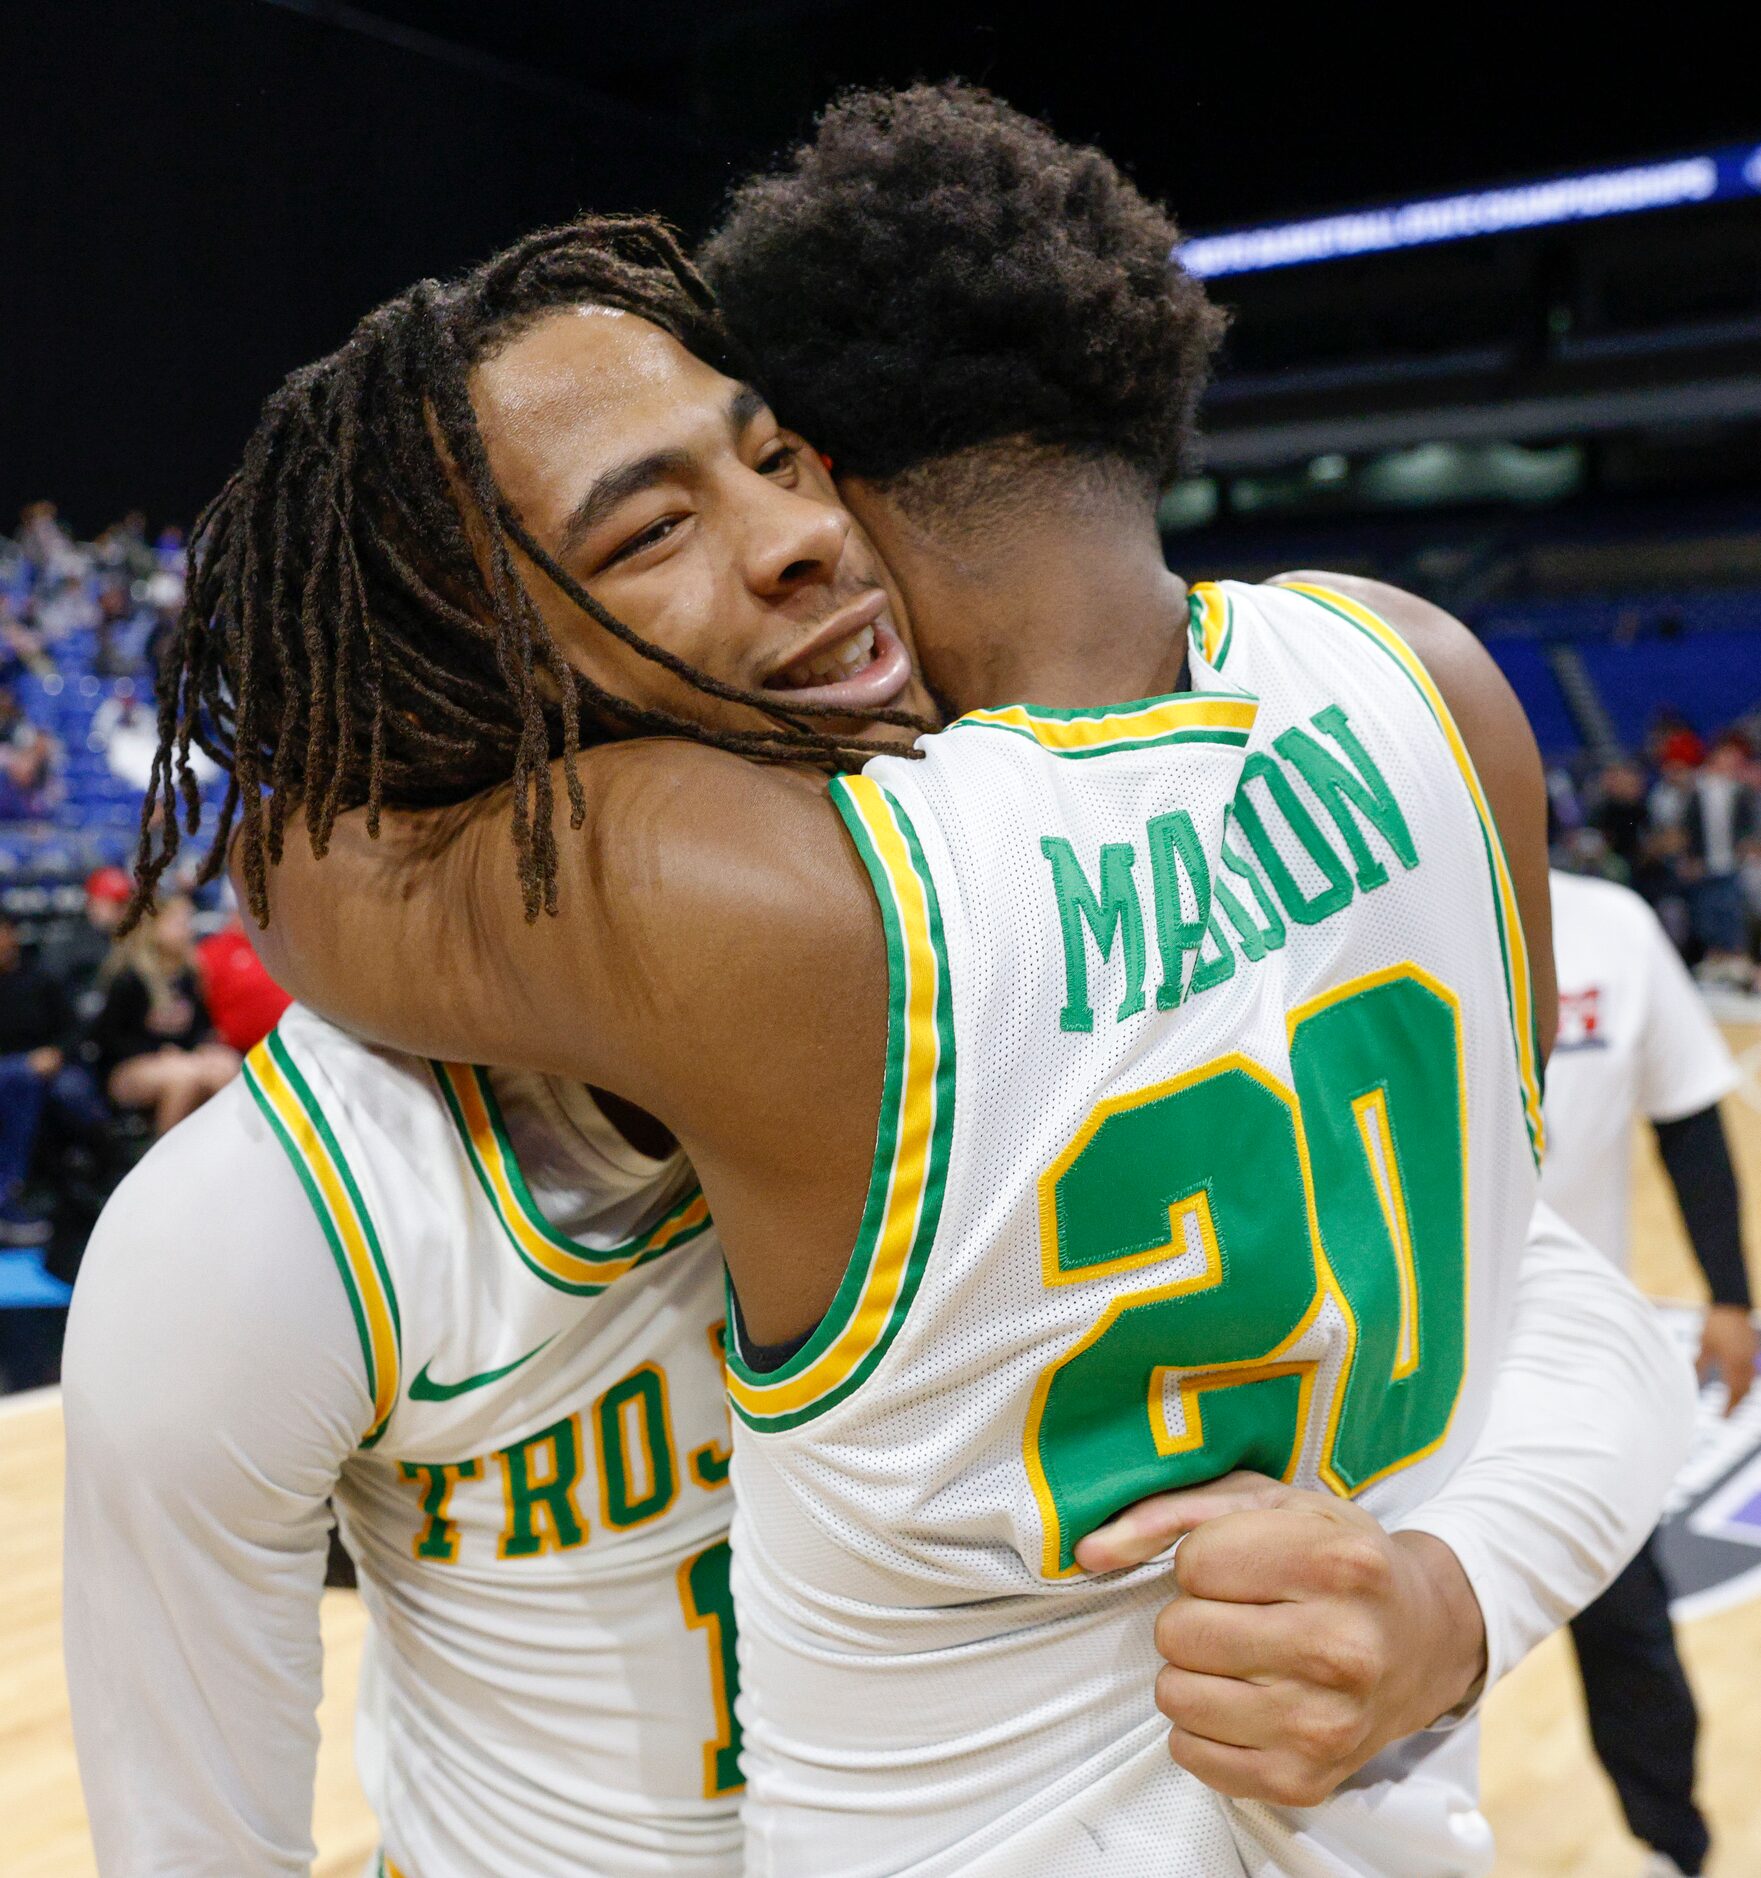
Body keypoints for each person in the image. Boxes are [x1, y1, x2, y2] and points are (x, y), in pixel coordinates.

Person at [200, 89, 1691, 1877]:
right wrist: (1454, 1597)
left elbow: (293, 856)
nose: (772, 531)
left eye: (766, 458)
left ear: (827, 458)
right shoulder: (1432, 680)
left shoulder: (777, 895)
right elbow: (1543, 1276)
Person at [1542, 864, 1757, 1878]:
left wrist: (1728, 1293)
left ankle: (1674, 1847)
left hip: (1574, 1354)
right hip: (1393, 1372)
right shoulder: (1356, 915)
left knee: (1629, 1627)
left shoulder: (1612, 928)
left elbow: (1687, 1114)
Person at [0, 912, 109, 1244]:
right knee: (19, 1079)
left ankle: (93, 1184)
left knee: (73, 1091)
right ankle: (8, 1197)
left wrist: (56, 1053)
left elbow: (74, 1029)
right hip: (11, 1071)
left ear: (12, 935)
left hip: (46, 1068)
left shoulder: (41, 978)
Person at [90, 893, 239, 1133]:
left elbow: (200, 1025)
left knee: (227, 1066)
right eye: (178, 923)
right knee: (184, 1078)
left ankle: (216, 1152)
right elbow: (107, 1038)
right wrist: (157, 1052)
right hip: (127, 1067)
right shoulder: (128, 976)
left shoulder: (189, 973)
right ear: (153, 927)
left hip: (181, 1059)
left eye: (187, 922)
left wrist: (202, 1045)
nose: (187, 930)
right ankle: (165, 1160)